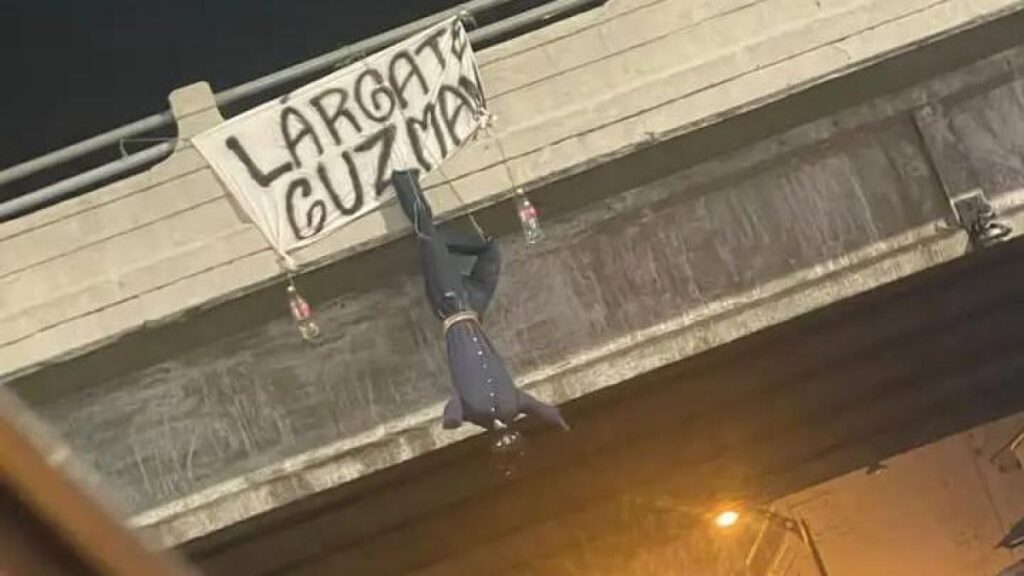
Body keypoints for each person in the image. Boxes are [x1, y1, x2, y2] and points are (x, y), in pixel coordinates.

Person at [392, 169, 569, 439]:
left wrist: (452, 421)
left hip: (450, 305)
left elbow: (452, 411)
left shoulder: (474, 412)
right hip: (475, 307)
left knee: (426, 231)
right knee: (490, 250)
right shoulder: (512, 406)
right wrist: (559, 422)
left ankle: (404, 180)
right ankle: (435, 241)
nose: (507, 435)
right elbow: (543, 409)